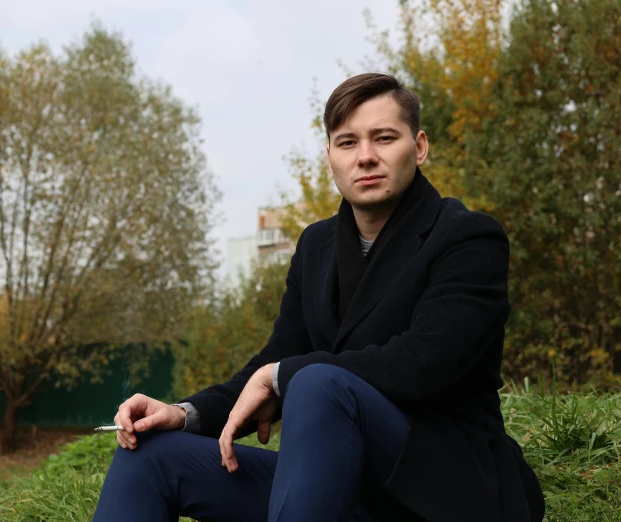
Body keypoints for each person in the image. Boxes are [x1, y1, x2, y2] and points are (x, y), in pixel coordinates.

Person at [92, 73, 545, 522]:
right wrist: (183, 413)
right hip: (333, 483)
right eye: (347, 143)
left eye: (384, 138)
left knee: (314, 380)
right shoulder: (317, 246)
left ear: (420, 147)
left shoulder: (467, 236)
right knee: (150, 456)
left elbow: (424, 361)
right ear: (330, 157)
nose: (366, 157)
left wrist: (285, 374)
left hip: (443, 488)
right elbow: (276, 358)